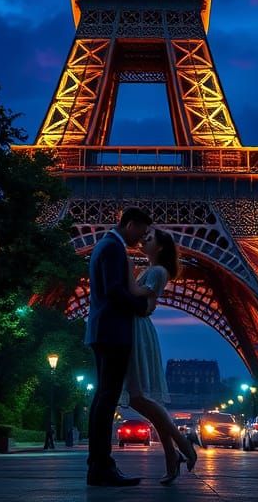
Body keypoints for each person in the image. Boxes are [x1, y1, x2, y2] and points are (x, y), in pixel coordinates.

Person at [85, 206, 155, 488]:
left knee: (103, 398)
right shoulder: (113, 249)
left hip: (103, 330)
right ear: (130, 224)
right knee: (106, 398)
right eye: (142, 230)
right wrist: (141, 306)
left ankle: (98, 465)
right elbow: (114, 289)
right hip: (112, 332)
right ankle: (101, 467)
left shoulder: (105, 245)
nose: (143, 237)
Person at [122, 228, 198, 485]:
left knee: (138, 396)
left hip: (137, 329)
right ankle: (172, 457)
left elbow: (138, 295)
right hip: (136, 327)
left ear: (162, 247)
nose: (144, 239)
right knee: (144, 399)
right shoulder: (153, 269)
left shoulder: (157, 271)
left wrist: (126, 266)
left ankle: (183, 445)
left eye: (150, 238)